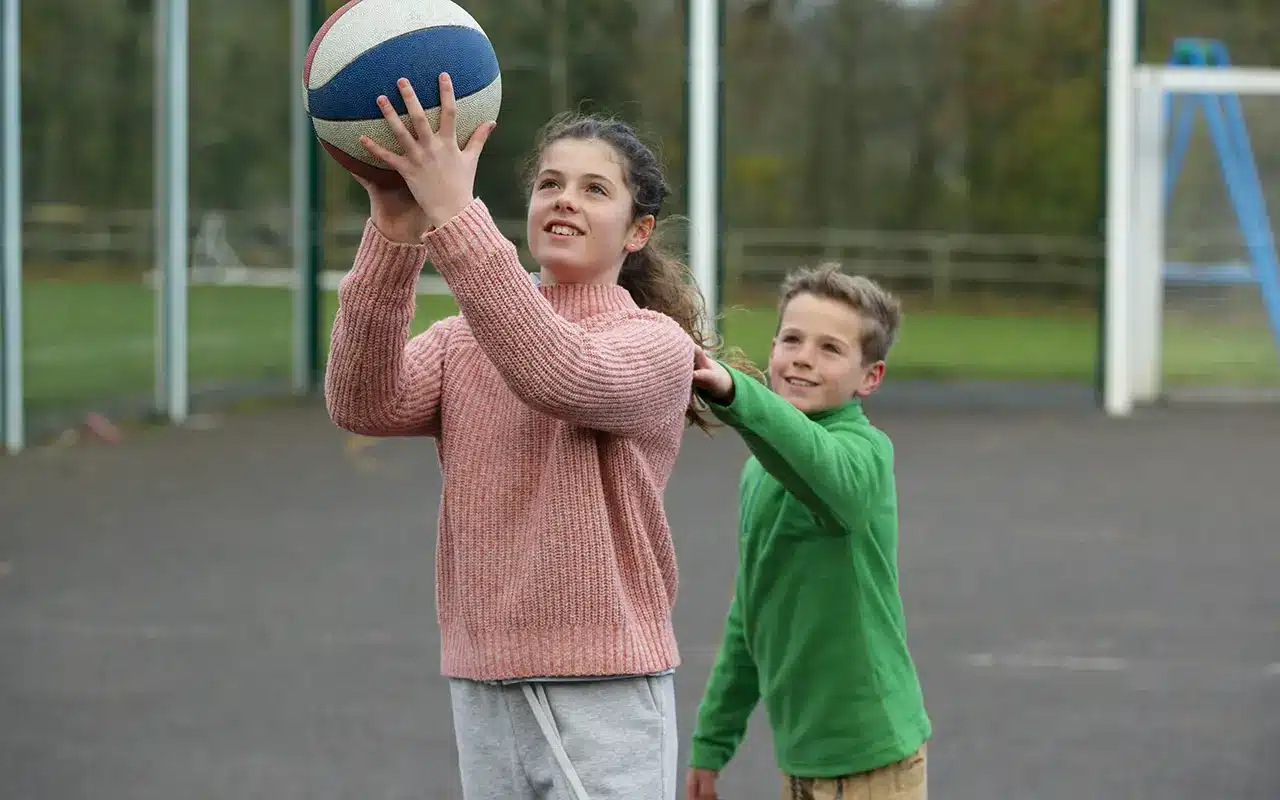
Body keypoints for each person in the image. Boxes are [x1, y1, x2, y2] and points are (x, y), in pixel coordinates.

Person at [324, 73, 747, 800]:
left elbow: (558, 373)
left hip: (606, 686)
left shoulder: (654, 345)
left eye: (593, 190)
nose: (564, 200)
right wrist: (395, 231)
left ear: (637, 231)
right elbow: (363, 400)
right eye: (550, 183)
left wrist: (455, 215)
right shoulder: (464, 340)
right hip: (485, 677)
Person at [683, 263, 932, 800]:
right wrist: (711, 743)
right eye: (792, 339)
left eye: (830, 348)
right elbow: (750, 611)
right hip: (802, 758)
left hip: (871, 760)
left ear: (871, 377)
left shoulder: (866, 454)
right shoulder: (760, 469)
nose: (802, 357)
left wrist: (738, 395)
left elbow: (823, 469)